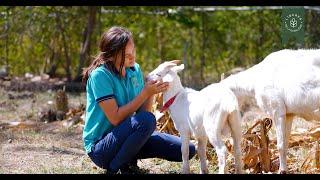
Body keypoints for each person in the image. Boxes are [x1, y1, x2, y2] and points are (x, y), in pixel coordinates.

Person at [82, 26, 196, 174]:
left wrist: (152, 90)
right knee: (147, 120)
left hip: (128, 137)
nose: (132, 56)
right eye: (126, 54)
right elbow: (115, 118)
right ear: (111, 55)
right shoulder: (100, 76)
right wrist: (144, 93)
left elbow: (144, 114)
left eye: (133, 51)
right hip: (101, 147)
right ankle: (114, 167)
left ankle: (127, 159)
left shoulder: (134, 69)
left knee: (187, 149)